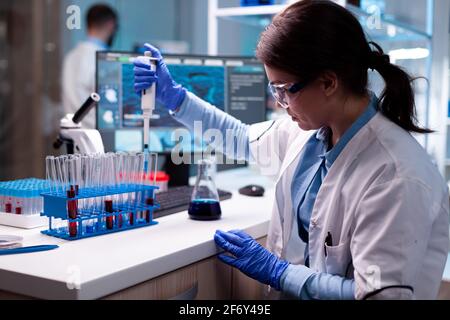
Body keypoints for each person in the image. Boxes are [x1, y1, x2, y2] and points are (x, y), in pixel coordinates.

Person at [133, 0, 449, 300]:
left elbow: (378, 295)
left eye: (284, 90)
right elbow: (241, 139)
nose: (279, 104)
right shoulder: (312, 133)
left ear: (327, 83)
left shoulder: (396, 176)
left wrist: (280, 273)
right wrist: (176, 100)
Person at [62, 4, 118, 129]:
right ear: (111, 24)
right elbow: (111, 108)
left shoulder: (70, 57)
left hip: (74, 135)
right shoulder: (106, 61)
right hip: (98, 139)